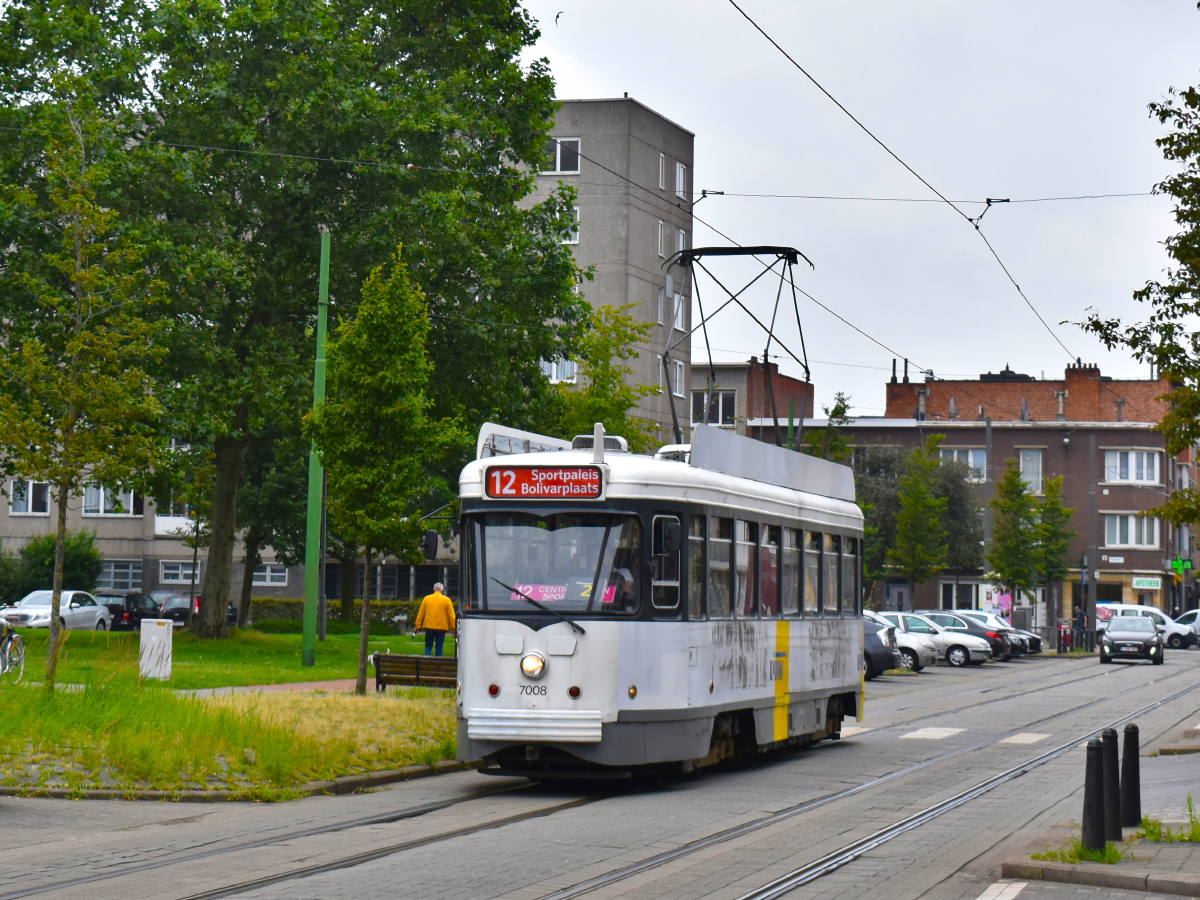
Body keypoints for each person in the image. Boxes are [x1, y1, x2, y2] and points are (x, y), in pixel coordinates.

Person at [414, 583, 456, 657]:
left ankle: (426, 663)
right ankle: (438, 665)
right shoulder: (447, 600)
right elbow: (452, 616)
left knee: (428, 646)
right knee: (439, 647)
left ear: (433, 589)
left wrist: (418, 625)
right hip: (441, 627)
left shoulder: (426, 599)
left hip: (429, 626)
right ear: (442, 590)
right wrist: (453, 628)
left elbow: (421, 614)